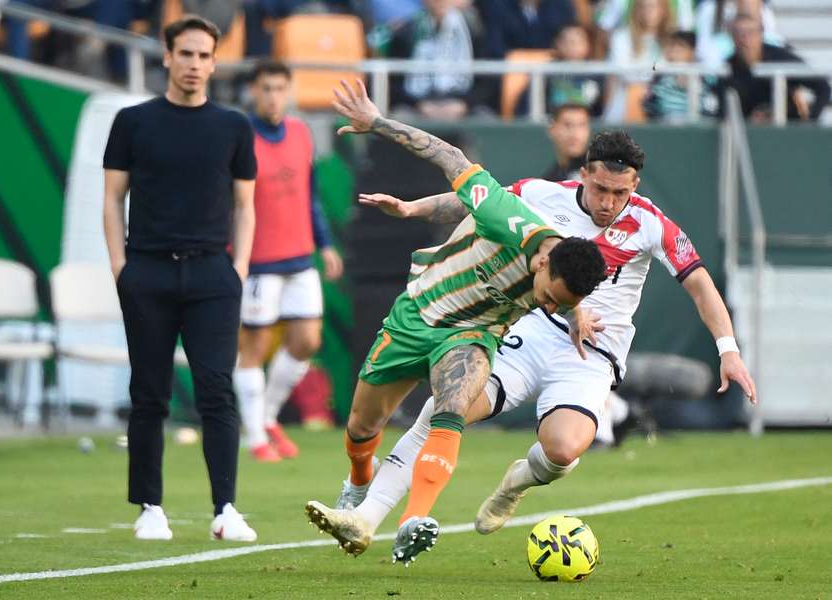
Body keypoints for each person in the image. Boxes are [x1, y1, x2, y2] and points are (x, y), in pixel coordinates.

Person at [307, 129, 758, 558]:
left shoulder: (651, 223)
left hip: (589, 355)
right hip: (528, 333)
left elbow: (699, 284)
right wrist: (414, 209)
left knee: (563, 448)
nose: (608, 203)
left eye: (620, 193)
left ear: (635, 185)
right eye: (601, 189)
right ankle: (364, 518)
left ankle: (515, 484)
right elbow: (477, 202)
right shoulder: (543, 195)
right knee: (449, 406)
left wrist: (728, 350)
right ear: (585, 173)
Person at [305, 79, 607, 565]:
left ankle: (414, 519)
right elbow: (451, 160)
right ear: (544, 263)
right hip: (419, 313)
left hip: (474, 333)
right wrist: (376, 124)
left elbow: (565, 295)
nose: (548, 307)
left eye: (560, 305)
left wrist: (575, 315)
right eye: (551, 298)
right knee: (362, 427)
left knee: (451, 404)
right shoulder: (509, 216)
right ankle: (359, 482)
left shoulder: (564, 282)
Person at [103, 15, 258, 542]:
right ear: (167, 57)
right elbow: (111, 199)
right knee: (150, 393)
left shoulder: (234, 126)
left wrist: (237, 270)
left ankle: (226, 509)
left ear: (215, 63)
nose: (194, 64)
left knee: (217, 389)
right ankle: (149, 507)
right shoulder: (132, 121)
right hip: (146, 269)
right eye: (185, 54)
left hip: (213, 273)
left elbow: (245, 206)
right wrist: (120, 267)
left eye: (203, 56)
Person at [233, 60, 343, 463]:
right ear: (253, 91)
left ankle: (266, 416)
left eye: (280, 88)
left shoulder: (300, 133)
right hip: (258, 259)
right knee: (255, 346)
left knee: (307, 340)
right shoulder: (240, 136)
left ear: (290, 91)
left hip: (299, 256)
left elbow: (309, 194)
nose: (274, 96)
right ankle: (255, 436)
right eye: (266, 88)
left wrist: (325, 244)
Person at [719, 13, 830, 122]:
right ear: (732, 36)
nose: (745, 39)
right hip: (747, 134)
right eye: (739, 33)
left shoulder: (781, 59)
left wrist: (809, 123)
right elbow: (723, 112)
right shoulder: (727, 69)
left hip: (788, 129)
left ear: (761, 34)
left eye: (751, 32)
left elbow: (823, 87)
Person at [644, 30, 720, 122]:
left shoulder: (708, 80)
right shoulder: (660, 81)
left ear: (693, 51)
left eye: (681, 45)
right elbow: (650, 112)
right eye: (672, 45)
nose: (674, 50)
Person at [541, 103, 590, 183]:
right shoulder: (550, 181)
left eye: (582, 125)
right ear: (552, 129)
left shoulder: (600, 169)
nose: (575, 134)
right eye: (567, 125)